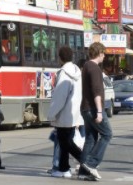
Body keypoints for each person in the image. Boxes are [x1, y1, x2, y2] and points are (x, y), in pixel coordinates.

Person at [47, 46, 83, 179]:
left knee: (65, 143)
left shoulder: (63, 73)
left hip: (64, 114)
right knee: (65, 142)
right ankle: (63, 168)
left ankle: (84, 160)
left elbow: (59, 97)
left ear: (60, 58)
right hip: (74, 113)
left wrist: (51, 114)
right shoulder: (77, 71)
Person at [79, 42, 112, 181]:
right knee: (107, 134)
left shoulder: (86, 66)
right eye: (103, 53)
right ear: (99, 53)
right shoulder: (95, 68)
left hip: (85, 108)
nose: (104, 56)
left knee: (91, 139)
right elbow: (97, 91)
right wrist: (99, 111)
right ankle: (91, 164)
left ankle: (83, 171)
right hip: (93, 108)